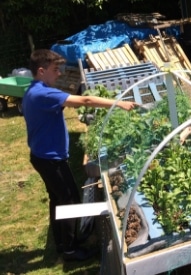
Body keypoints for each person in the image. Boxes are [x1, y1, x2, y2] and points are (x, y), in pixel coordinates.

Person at [22, 49, 138, 261]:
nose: (59, 74)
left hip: (41, 156)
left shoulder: (34, 91)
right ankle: (70, 249)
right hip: (50, 159)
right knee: (69, 200)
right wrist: (119, 103)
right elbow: (85, 101)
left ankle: (61, 242)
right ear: (41, 71)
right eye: (55, 70)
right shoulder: (43, 93)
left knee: (57, 198)